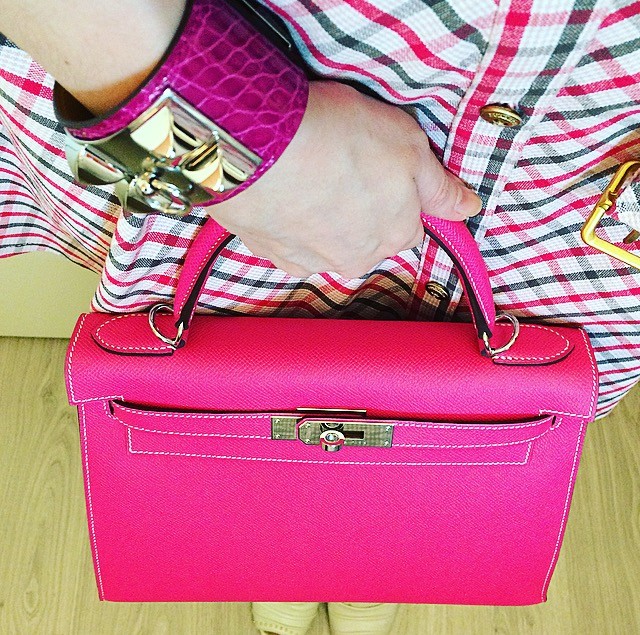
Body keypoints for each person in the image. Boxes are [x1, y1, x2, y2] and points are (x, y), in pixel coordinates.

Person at [1, 1, 639, 634]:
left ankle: (365, 572)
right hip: (230, 104)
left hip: (573, 209)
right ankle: (288, 566)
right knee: (230, 422)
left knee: (444, 462)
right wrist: (238, 134)